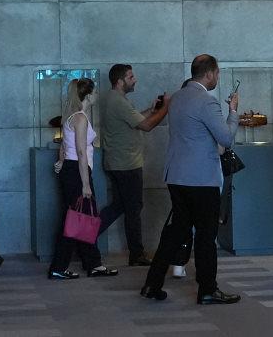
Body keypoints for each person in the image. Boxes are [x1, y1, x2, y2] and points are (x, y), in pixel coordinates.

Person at [140, 54, 241, 305]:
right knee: (206, 236)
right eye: (217, 73)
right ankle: (208, 289)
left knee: (175, 232)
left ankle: (152, 284)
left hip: (176, 175)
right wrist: (233, 111)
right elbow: (226, 139)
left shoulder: (177, 98)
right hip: (202, 180)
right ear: (209, 74)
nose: (217, 78)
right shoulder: (206, 102)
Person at [98, 63, 170, 266]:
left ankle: (84, 239)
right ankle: (136, 254)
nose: (135, 79)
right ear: (120, 81)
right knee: (133, 208)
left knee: (119, 206)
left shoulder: (117, 100)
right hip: (126, 165)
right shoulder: (118, 102)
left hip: (119, 163)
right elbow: (146, 126)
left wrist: (153, 109)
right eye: (131, 77)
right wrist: (166, 108)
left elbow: (136, 119)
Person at [48, 78, 119, 280]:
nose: (97, 95)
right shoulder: (80, 118)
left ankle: (92, 263)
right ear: (88, 95)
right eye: (95, 92)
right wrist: (86, 183)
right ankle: (60, 266)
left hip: (71, 171)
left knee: (84, 218)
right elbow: (81, 151)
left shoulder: (71, 116)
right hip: (78, 172)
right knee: (76, 220)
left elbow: (64, 146)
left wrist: (61, 162)